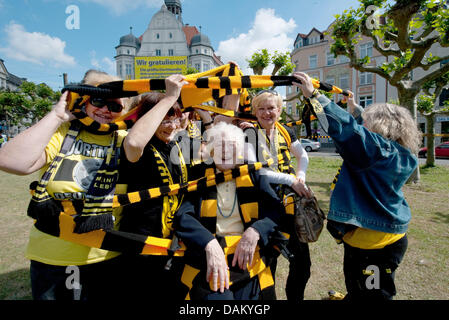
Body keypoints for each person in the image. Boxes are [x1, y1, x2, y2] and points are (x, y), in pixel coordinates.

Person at [0, 70, 129, 300]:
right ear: (83, 100)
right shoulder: (62, 133)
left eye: (115, 106)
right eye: (98, 100)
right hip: (55, 258)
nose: (106, 110)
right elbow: (11, 161)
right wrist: (57, 116)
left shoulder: (123, 139)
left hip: (108, 256)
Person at [292, 71, 421, 300]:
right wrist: (355, 109)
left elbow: (352, 133)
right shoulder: (400, 154)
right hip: (378, 238)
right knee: (358, 288)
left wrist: (315, 97)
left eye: (367, 121)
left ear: (380, 126)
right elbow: (363, 134)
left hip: (374, 245)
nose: (362, 123)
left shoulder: (376, 153)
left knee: (374, 296)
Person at [173, 122, 305, 300]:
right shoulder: (199, 174)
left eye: (232, 146)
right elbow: (183, 216)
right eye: (220, 146)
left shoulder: (252, 173)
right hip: (210, 257)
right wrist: (209, 243)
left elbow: (275, 210)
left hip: (247, 257)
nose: (226, 151)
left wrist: (255, 230)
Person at [116, 74, 192, 300]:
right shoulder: (136, 146)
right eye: (164, 120)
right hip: (142, 244)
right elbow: (134, 142)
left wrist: (233, 97)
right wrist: (169, 98)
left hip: (173, 240)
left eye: (175, 120)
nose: (171, 126)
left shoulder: (176, 145)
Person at [244, 89, 312, 301]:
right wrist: (291, 180)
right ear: (255, 112)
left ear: (279, 110)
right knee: (267, 263)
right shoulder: (249, 134)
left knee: (302, 262)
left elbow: (303, 156)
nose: (266, 113)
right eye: (261, 109)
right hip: (265, 205)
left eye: (271, 108)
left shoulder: (285, 131)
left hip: (292, 204)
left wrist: (300, 176)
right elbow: (257, 171)